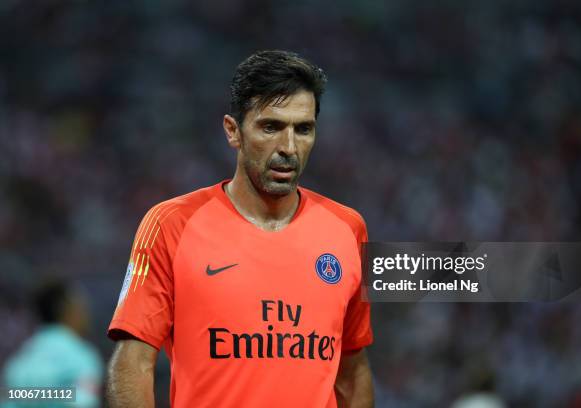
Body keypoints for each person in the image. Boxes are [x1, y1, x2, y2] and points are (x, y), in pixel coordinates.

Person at [106, 50, 374, 408]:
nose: (289, 148)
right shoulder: (170, 224)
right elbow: (133, 363)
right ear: (233, 131)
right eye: (271, 127)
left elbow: (352, 370)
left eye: (303, 129)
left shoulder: (348, 228)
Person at [2, 279, 103, 407]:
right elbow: (83, 404)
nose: (86, 313)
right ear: (67, 309)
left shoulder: (18, 362)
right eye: (81, 306)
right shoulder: (80, 357)